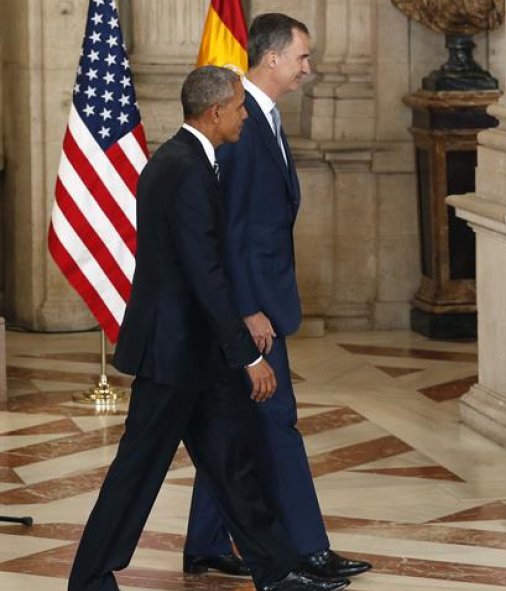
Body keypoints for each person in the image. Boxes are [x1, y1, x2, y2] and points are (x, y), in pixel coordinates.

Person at [67, 66, 348, 591]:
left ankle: (276, 569)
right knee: (138, 471)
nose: (245, 115)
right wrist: (248, 355)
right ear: (215, 111)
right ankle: (89, 578)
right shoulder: (185, 168)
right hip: (172, 355)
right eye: (239, 107)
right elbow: (204, 273)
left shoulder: (190, 159)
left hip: (196, 353)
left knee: (232, 464)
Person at [182, 14, 371, 582]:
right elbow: (229, 228)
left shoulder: (266, 119)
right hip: (252, 312)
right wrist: (246, 309)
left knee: (237, 423)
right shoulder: (240, 127)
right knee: (276, 423)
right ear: (271, 59)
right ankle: (307, 550)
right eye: (302, 58)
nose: (308, 68)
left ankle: (206, 543)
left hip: (261, 300)